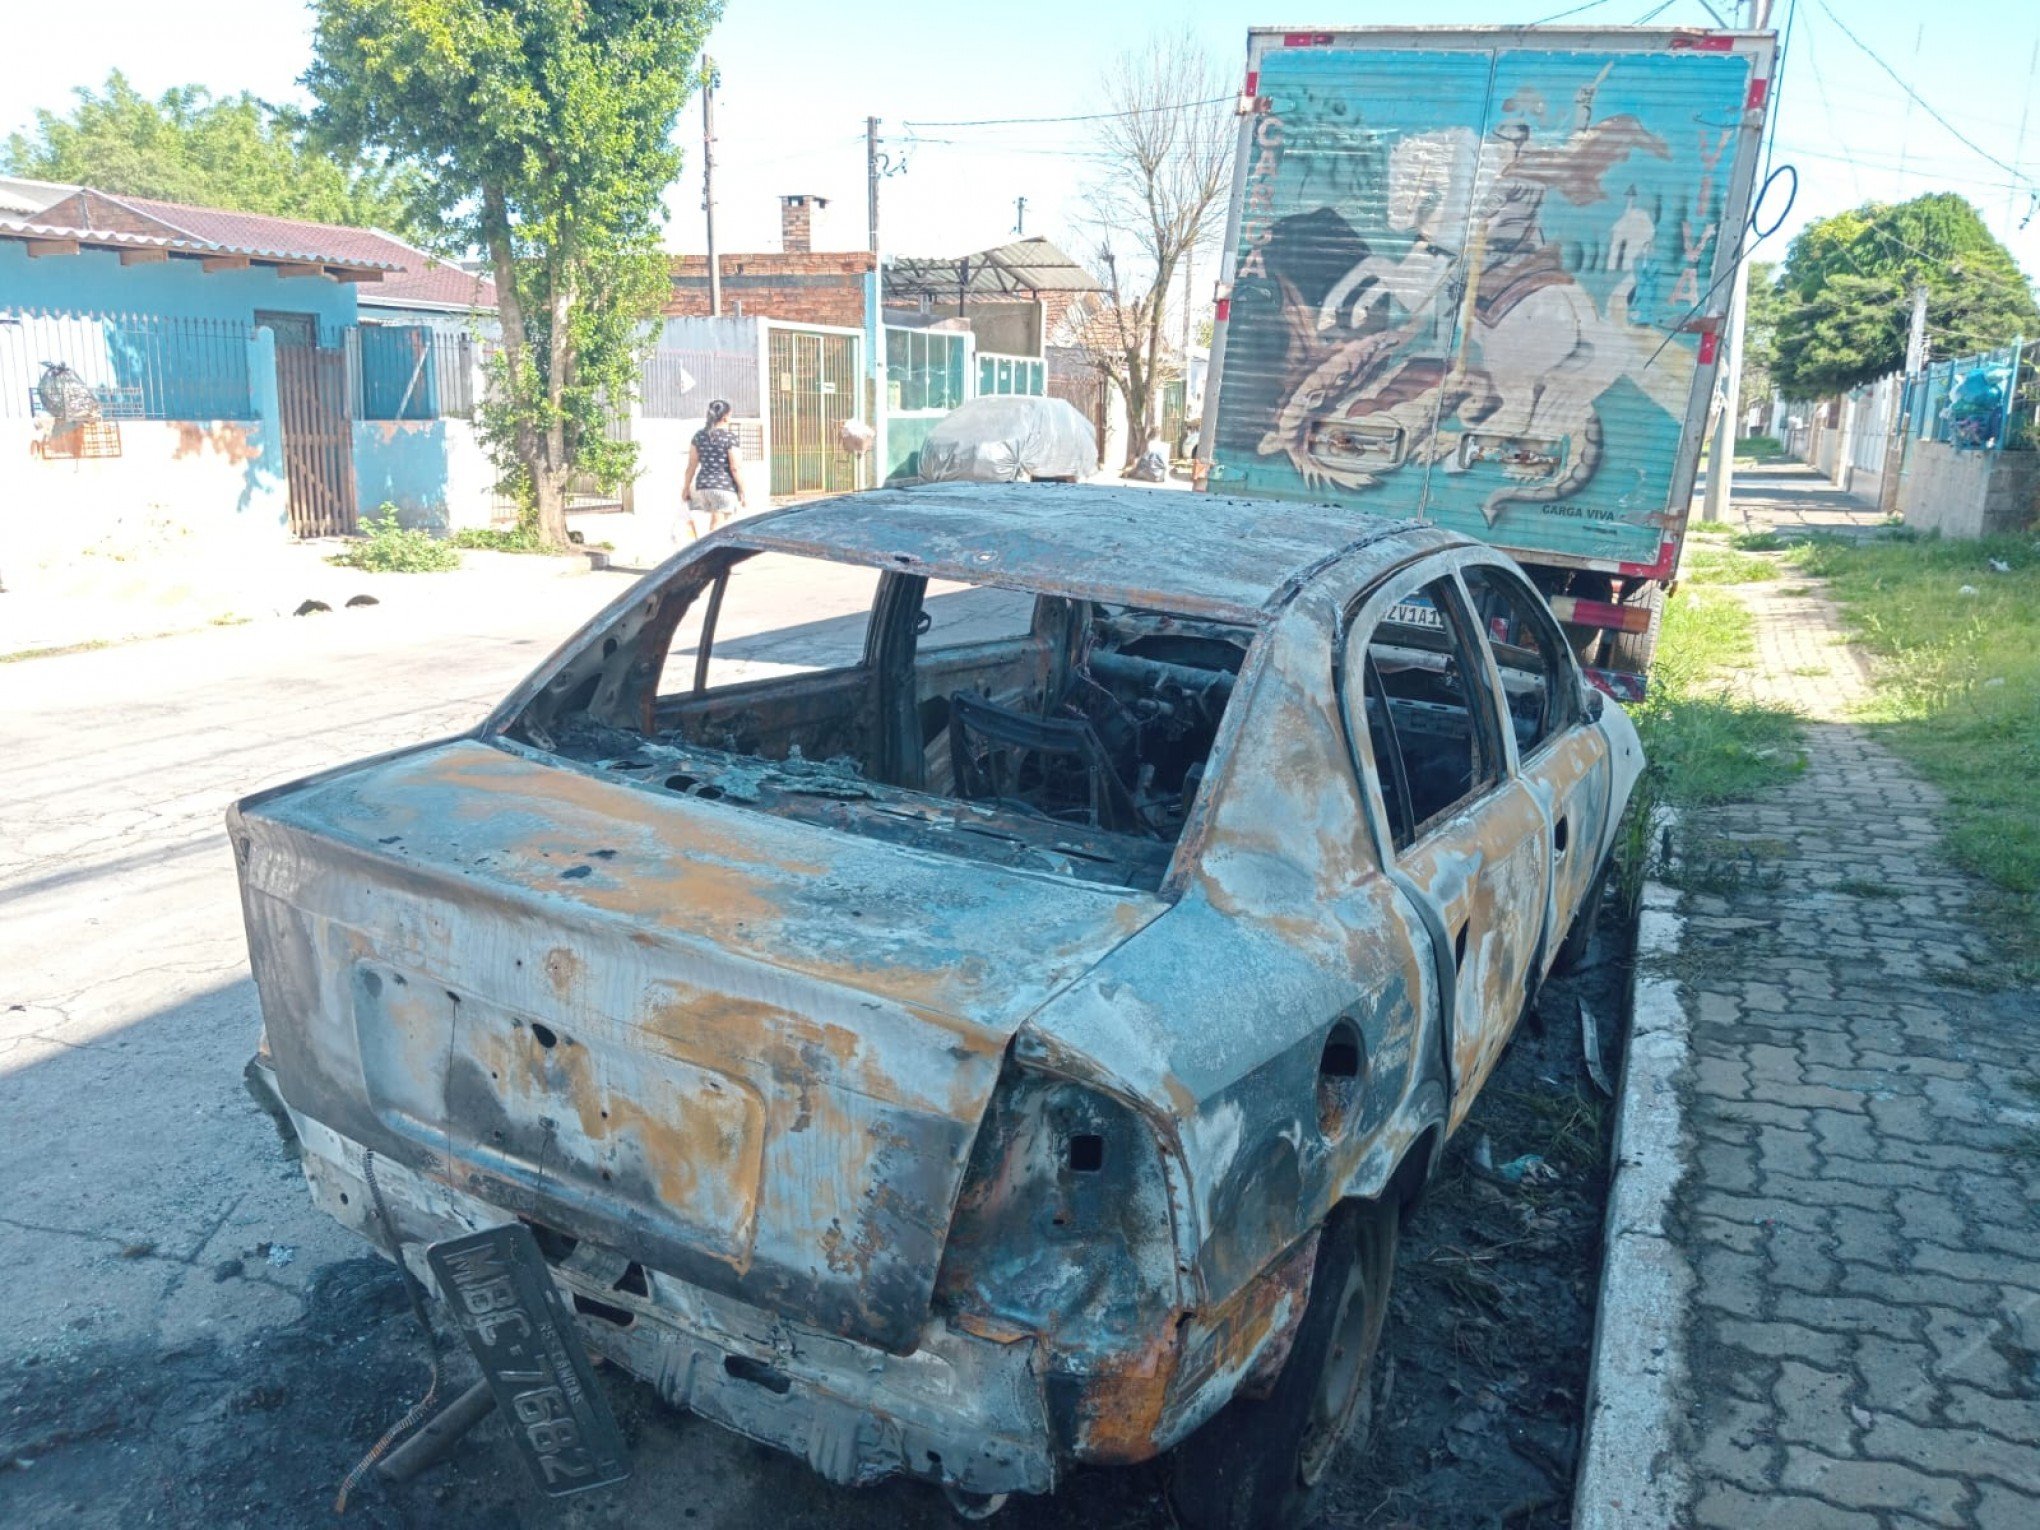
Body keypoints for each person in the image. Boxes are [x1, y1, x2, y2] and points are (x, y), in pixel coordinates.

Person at [682, 399, 747, 538]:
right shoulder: (729, 437)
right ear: (725, 417)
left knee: (721, 524)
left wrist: (686, 488)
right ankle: (707, 555)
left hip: (703, 486)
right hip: (722, 487)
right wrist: (742, 490)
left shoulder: (699, 436)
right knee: (717, 527)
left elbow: (691, 465)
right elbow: (735, 467)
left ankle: (716, 552)